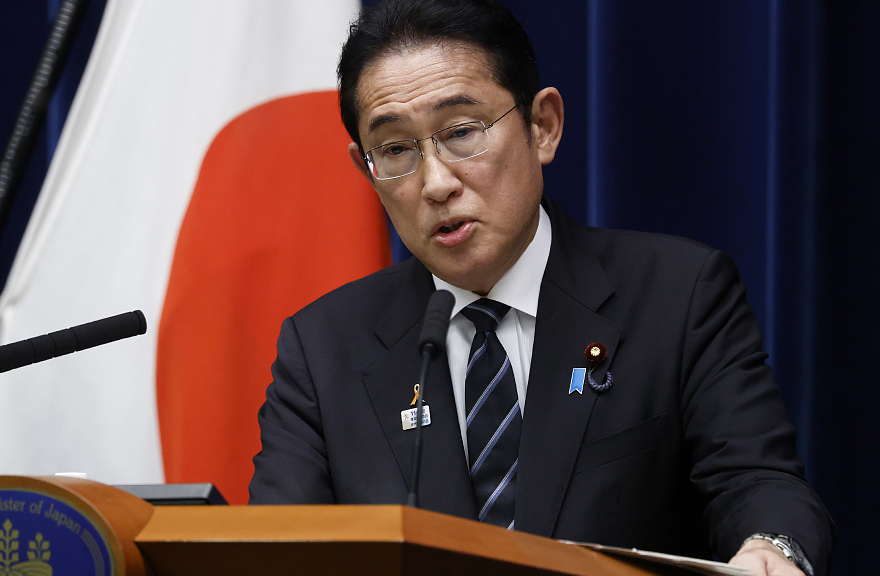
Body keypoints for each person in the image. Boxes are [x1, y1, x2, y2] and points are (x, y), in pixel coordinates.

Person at [248, 1, 835, 574]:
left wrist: (771, 549)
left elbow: (755, 480)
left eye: (461, 131)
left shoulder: (678, 297)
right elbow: (276, 548)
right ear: (365, 171)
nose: (435, 182)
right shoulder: (323, 350)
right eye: (396, 149)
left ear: (543, 126)